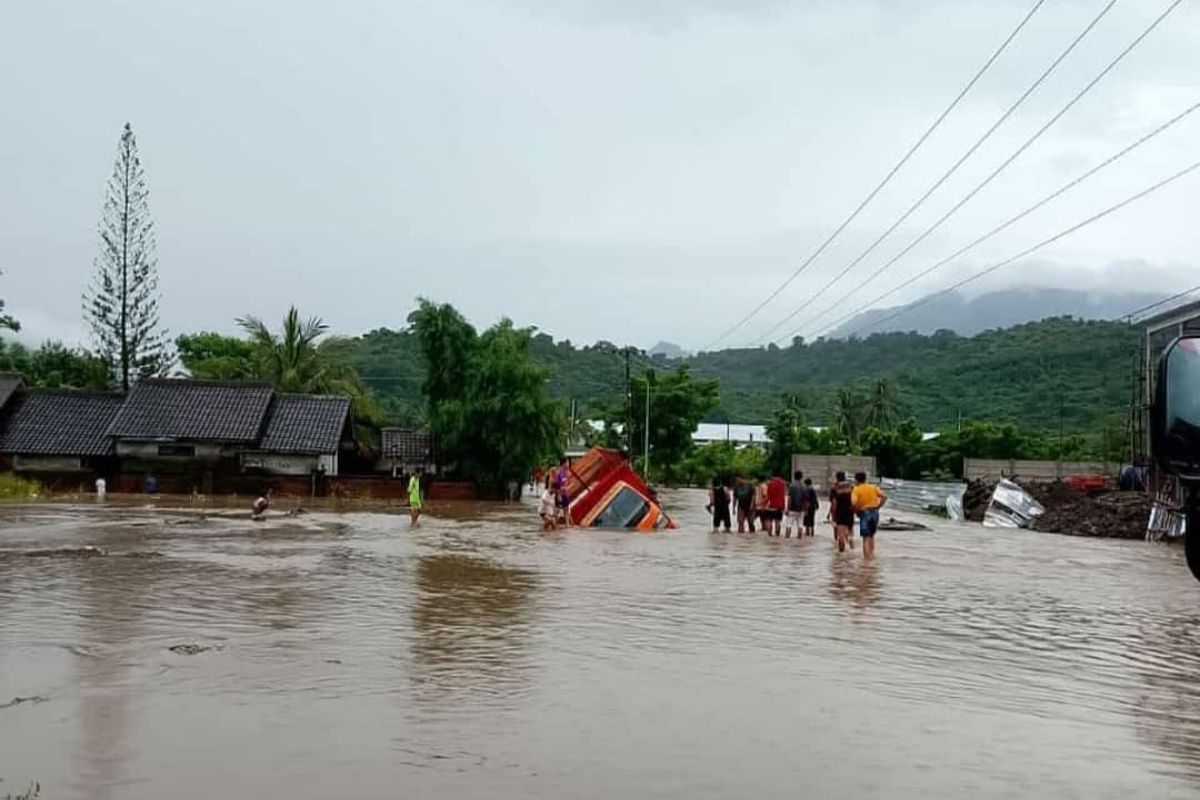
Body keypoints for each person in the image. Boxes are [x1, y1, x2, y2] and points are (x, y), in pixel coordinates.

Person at [852, 471, 887, 559]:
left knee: (865, 538)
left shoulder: (856, 489)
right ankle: (872, 556)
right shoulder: (873, 487)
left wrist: (856, 511)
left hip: (864, 512)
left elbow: (853, 502)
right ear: (865, 478)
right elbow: (884, 496)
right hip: (875, 512)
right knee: (871, 536)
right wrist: (879, 506)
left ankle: (866, 561)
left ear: (856, 480)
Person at [828, 471, 854, 552]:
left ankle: (841, 554)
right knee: (850, 533)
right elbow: (854, 500)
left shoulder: (835, 488)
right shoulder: (851, 487)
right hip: (850, 512)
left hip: (839, 512)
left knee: (840, 535)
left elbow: (834, 502)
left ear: (837, 477)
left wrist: (831, 513)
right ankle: (852, 550)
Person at [785, 470, 807, 539]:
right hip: (801, 509)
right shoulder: (804, 486)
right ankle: (799, 539)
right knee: (800, 525)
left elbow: (790, 498)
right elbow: (806, 500)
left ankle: (787, 539)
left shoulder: (791, 486)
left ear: (794, 477)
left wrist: (787, 509)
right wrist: (805, 510)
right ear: (801, 477)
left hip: (792, 508)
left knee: (789, 525)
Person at [766, 473, 787, 537]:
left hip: (771, 505)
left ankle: (769, 534)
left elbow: (768, 496)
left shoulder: (770, 484)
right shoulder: (783, 484)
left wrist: (762, 503)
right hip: (779, 506)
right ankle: (777, 534)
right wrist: (784, 506)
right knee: (777, 521)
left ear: (773, 476)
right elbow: (783, 496)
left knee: (770, 520)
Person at [554, 457, 571, 528]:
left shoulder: (566, 472)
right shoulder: (559, 472)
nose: (568, 464)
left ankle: (567, 524)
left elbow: (567, 483)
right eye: (567, 462)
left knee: (566, 509)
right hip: (560, 494)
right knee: (557, 510)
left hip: (565, 494)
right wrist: (558, 495)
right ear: (564, 463)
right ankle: (554, 524)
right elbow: (556, 484)